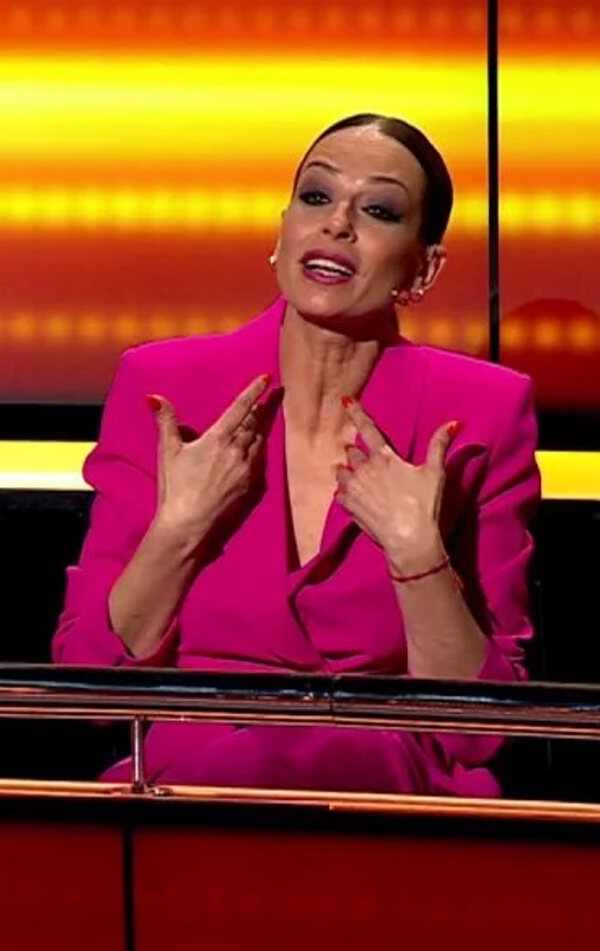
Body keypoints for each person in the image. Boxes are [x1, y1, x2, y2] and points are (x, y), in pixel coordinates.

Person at [53, 113, 539, 796]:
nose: (337, 224)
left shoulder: (481, 413)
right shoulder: (166, 390)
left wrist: (417, 556)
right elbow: (88, 687)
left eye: (378, 210)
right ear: (282, 232)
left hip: (387, 798)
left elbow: (480, 731)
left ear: (424, 267)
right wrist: (180, 529)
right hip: (195, 796)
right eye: (316, 197)